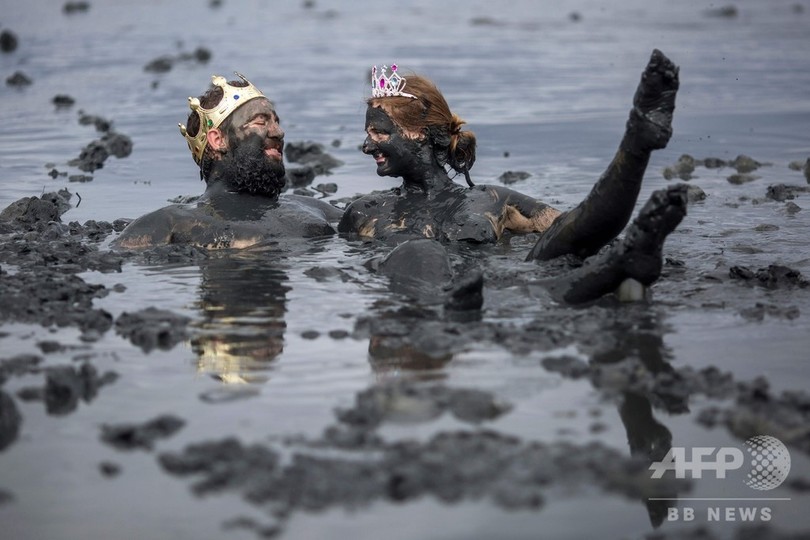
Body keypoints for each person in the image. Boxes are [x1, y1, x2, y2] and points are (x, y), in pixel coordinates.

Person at [339, 51, 688, 304]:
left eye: (379, 133)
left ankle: (637, 144)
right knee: (418, 250)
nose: (368, 146)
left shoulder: (492, 200)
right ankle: (622, 262)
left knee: (558, 243)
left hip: (493, 288)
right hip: (441, 298)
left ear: (418, 132)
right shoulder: (365, 213)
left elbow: (576, 227)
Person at [114, 73, 342, 250]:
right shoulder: (169, 224)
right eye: (261, 122)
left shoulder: (314, 209)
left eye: (277, 121)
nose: (279, 132)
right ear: (218, 140)